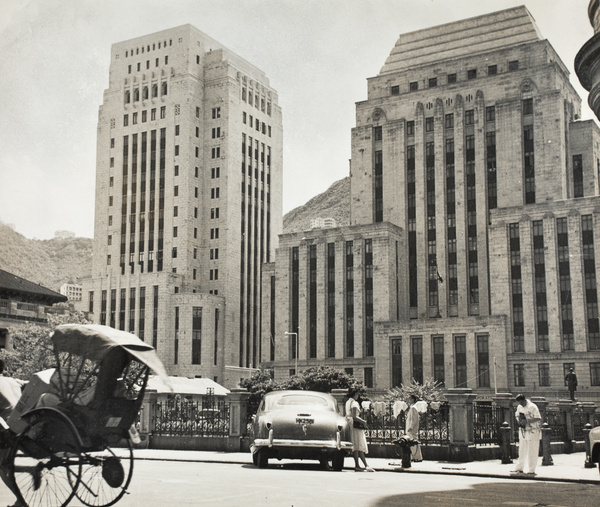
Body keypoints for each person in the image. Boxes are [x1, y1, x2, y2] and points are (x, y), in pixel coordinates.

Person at [0, 359, 25, 507]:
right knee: (6, 464)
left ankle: (21, 501)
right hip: (23, 425)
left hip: (7, 429)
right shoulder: (13, 381)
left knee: (3, 466)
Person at [345, 387, 374, 472]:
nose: (358, 396)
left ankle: (364, 465)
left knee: (357, 446)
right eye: (357, 394)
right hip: (356, 426)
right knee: (358, 445)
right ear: (354, 394)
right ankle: (359, 465)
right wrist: (363, 421)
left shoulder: (348, 402)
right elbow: (354, 416)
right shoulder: (354, 403)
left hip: (350, 424)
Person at [512, 394, 542, 475]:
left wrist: (527, 421)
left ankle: (531, 469)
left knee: (532, 450)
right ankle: (519, 468)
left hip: (533, 431)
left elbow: (538, 418)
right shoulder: (519, 407)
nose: (520, 404)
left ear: (524, 400)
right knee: (522, 450)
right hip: (523, 431)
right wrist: (519, 420)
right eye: (519, 403)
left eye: (521, 402)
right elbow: (517, 415)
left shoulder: (532, 406)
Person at [405, 394, 423, 462]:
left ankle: (417, 457)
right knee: (412, 443)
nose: (408, 400)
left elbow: (414, 419)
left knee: (413, 443)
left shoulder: (413, 408)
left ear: (413, 399)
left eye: (410, 398)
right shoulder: (412, 407)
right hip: (411, 428)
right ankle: (414, 457)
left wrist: (410, 427)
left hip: (411, 429)